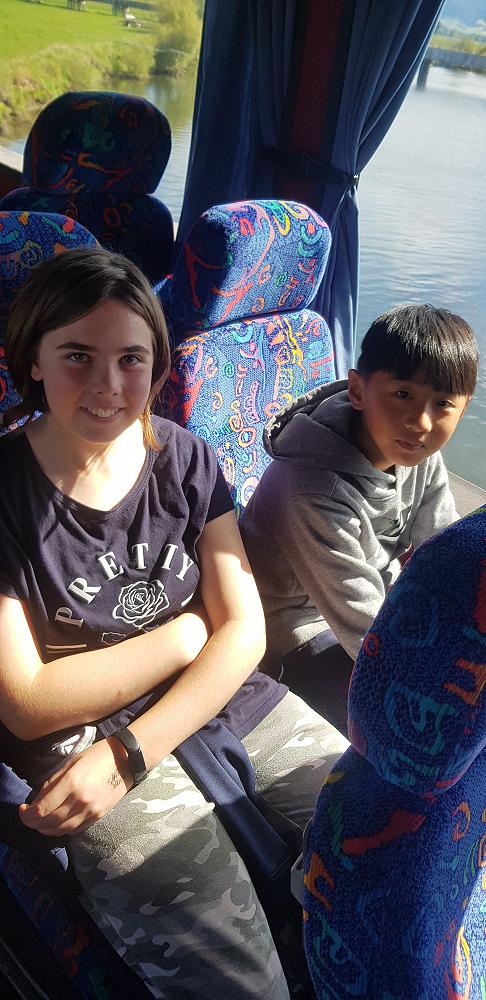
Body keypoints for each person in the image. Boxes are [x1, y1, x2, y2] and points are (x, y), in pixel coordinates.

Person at [0, 247, 348, 1000]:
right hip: (79, 743)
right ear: (32, 359)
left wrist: (136, 749)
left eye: (131, 359)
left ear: (157, 366)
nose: (107, 385)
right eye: (77, 356)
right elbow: (25, 702)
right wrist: (185, 637)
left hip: (226, 700)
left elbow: (244, 630)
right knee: (242, 980)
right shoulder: (7, 494)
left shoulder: (185, 458)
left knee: (388, 842)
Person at [240, 304, 479, 728]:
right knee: (415, 721)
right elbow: (366, 632)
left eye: (443, 403)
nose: (421, 422)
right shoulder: (310, 490)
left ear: (463, 409)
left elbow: (442, 551)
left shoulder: (416, 451)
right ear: (357, 391)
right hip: (298, 627)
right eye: (403, 395)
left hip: (376, 597)